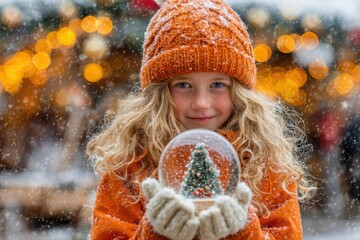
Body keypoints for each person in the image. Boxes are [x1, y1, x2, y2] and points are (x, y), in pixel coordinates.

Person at [87, 0, 315, 239]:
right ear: (160, 93)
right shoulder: (130, 164)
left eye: (218, 85)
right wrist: (155, 233)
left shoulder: (264, 161)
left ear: (239, 91)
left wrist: (243, 232)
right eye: (183, 85)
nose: (201, 102)